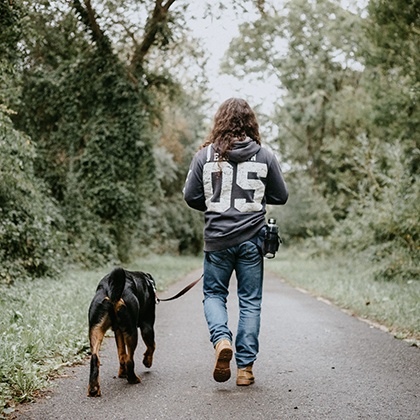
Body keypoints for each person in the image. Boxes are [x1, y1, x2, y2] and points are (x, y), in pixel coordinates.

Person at [183, 98, 288, 386]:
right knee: (250, 302)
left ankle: (221, 342)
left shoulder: (204, 157)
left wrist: (216, 202)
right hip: (252, 240)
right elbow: (281, 196)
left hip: (217, 241)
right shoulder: (264, 156)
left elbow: (191, 196)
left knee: (215, 295)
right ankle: (245, 370)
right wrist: (254, 199)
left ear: (220, 122)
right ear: (251, 123)